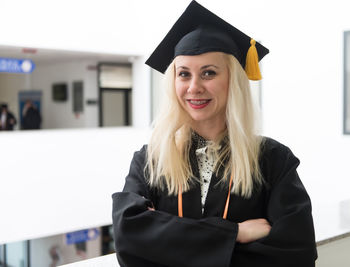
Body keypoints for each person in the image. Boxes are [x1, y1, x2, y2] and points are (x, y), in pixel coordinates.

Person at [112, 1, 317, 266]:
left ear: (233, 81)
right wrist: (237, 233)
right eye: (183, 74)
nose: (194, 87)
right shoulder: (152, 159)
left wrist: (167, 243)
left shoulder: (273, 160)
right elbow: (129, 235)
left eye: (208, 73)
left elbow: (295, 253)